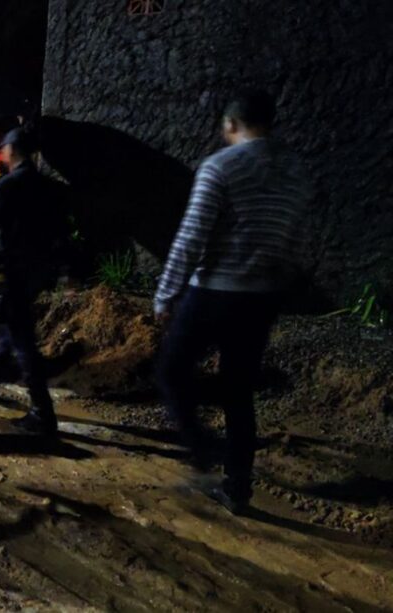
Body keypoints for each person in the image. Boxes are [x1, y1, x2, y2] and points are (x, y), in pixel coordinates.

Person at [155, 89, 312, 514]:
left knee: (170, 370)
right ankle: (237, 486)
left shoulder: (220, 166)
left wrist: (166, 293)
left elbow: (192, 237)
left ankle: (203, 449)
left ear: (230, 125)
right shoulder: (295, 172)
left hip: (215, 291)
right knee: (238, 390)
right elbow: (297, 240)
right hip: (262, 297)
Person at [0, 127, 71, 435]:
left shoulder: (9, 185)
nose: (0, 153)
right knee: (12, 325)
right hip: (39, 271)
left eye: (3, 148)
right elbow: (61, 232)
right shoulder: (49, 187)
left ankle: (43, 412)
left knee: (22, 338)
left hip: (14, 268)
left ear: (12, 150)